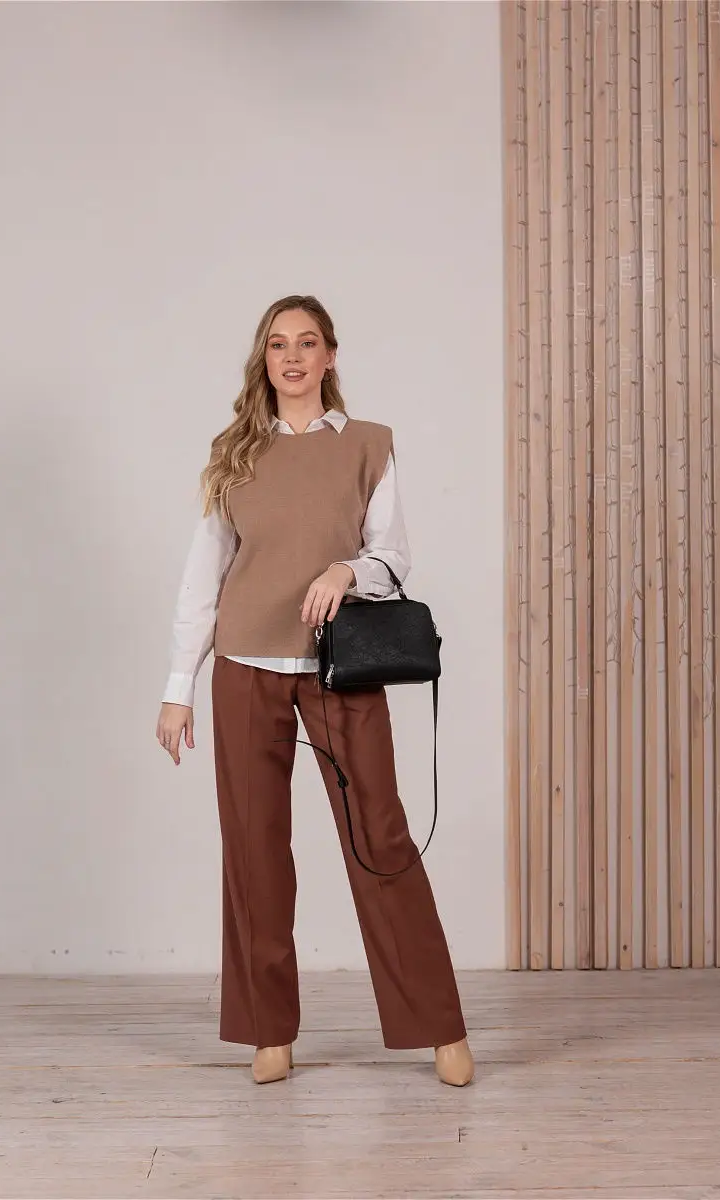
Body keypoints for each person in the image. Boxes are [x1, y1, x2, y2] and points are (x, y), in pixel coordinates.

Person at [155, 294, 474, 1087]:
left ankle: (440, 1026)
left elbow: (393, 555)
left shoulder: (368, 444)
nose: (292, 357)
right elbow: (203, 578)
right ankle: (270, 1032)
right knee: (255, 852)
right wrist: (178, 686)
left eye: (306, 343)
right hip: (244, 668)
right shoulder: (235, 452)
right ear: (263, 360)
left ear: (331, 354)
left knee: (380, 840)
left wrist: (346, 571)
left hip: (341, 669)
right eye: (277, 345)